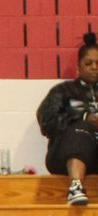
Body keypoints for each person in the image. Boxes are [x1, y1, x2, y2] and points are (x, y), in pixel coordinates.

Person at [37, 31, 98, 205]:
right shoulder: (62, 91)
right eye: (88, 63)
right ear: (79, 66)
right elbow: (47, 121)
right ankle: (76, 187)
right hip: (65, 156)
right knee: (81, 130)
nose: (94, 67)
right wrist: (83, 117)